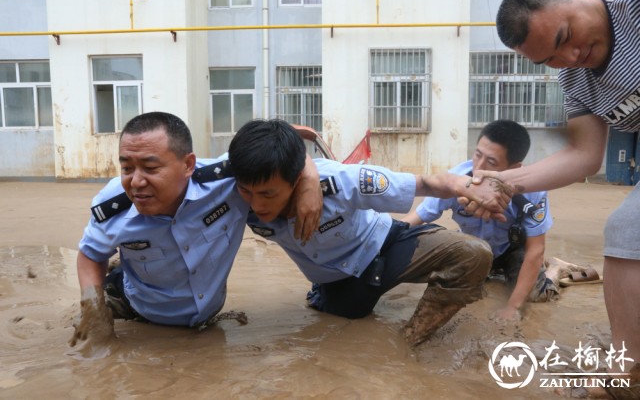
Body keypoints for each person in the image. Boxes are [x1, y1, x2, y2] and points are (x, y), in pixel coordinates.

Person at [475, 0, 640, 390]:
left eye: (566, 36)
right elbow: (584, 155)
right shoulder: (576, 78)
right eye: (549, 59)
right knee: (624, 231)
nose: (570, 56)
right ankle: (628, 369)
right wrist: (503, 183)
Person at [227, 119, 510, 347]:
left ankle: (409, 344)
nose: (256, 204)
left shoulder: (343, 181)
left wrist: (466, 184)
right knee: (343, 333)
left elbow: (424, 182)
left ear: (296, 178)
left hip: (385, 244)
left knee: (473, 254)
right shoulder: (233, 188)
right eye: (246, 192)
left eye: (268, 193)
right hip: (339, 285)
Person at [69, 112, 323, 355]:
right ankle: (118, 281)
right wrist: (94, 314)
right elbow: (90, 254)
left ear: (188, 164)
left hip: (207, 315)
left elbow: (283, 146)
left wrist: (309, 181)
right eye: (127, 168)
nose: (136, 182)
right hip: (142, 310)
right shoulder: (112, 208)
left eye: (150, 168)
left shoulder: (227, 181)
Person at [402, 120, 589, 321]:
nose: (479, 169)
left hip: (512, 250)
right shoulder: (456, 180)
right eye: (477, 155)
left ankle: (554, 268)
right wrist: (380, 242)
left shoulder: (533, 191)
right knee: (460, 290)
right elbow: (416, 219)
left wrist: (512, 307)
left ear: (514, 168)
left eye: (491, 162)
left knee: (536, 297)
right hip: (474, 248)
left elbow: (535, 250)